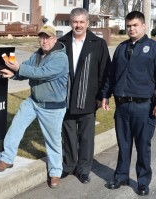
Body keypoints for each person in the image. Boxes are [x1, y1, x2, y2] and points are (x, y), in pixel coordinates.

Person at [101, 11, 156, 196]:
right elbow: (111, 74)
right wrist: (105, 94)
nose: (131, 29)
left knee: (143, 146)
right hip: (122, 106)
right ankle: (120, 177)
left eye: (135, 25)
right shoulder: (121, 48)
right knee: (123, 145)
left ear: (143, 26)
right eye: (129, 26)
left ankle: (142, 181)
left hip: (144, 107)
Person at [0, 25, 69, 189]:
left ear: (55, 39)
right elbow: (28, 70)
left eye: (47, 37)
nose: (44, 40)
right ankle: (7, 159)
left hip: (52, 107)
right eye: (41, 37)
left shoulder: (61, 58)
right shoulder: (37, 55)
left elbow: (42, 73)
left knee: (53, 140)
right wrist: (14, 74)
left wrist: (19, 68)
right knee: (16, 126)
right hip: (33, 101)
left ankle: (55, 172)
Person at [58, 7, 111, 183]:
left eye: (82, 22)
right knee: (69, 135)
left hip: (88, 98)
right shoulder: (61, 43)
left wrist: (104, 95)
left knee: (86, 137)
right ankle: (69, 166)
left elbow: (105, 72)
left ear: (88, 23)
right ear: (70, 23)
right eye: (75, 22)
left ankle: (83, 169)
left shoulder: (98, 44)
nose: (78, 25)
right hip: (65, 98)